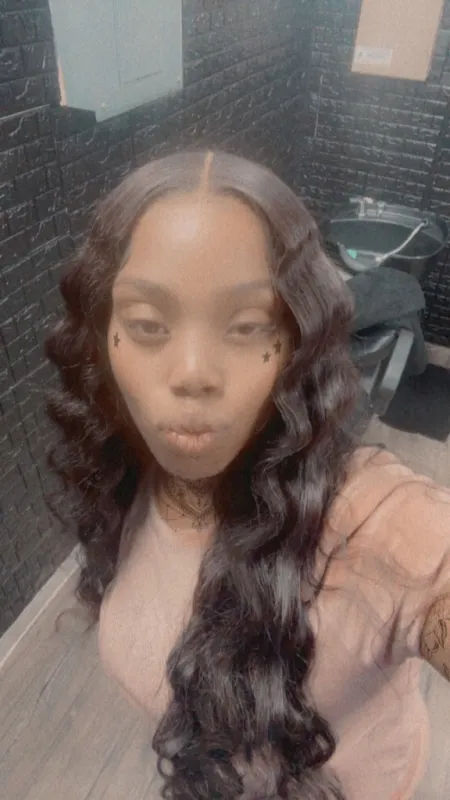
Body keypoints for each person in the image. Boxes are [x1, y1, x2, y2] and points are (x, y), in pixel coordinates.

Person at [45, 150, 450, 800]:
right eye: (147, 325)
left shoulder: (372, 523)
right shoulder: (126, 470)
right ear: (103, 335)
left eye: (246, 326)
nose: (193, 373)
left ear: (294, 341)